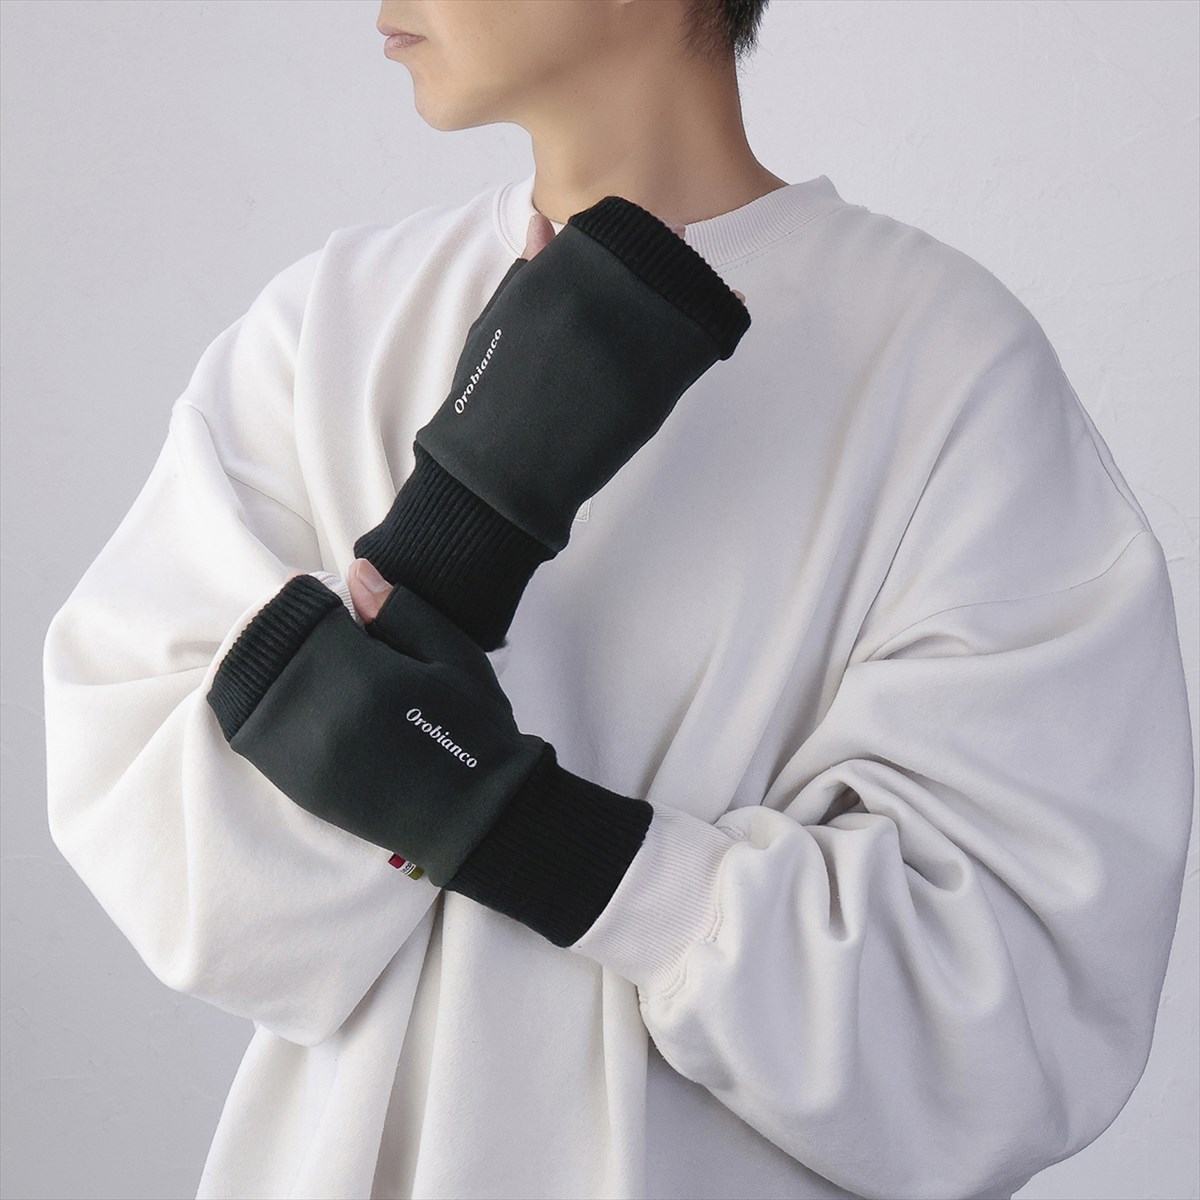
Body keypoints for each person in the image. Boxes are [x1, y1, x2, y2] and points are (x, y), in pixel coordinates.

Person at [42, 1, 1194, 1198]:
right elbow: (181, 882)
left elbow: (1003, 1026)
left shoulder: (945, 367)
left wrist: (536, 839)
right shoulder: (326, 323)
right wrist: (461, 529)